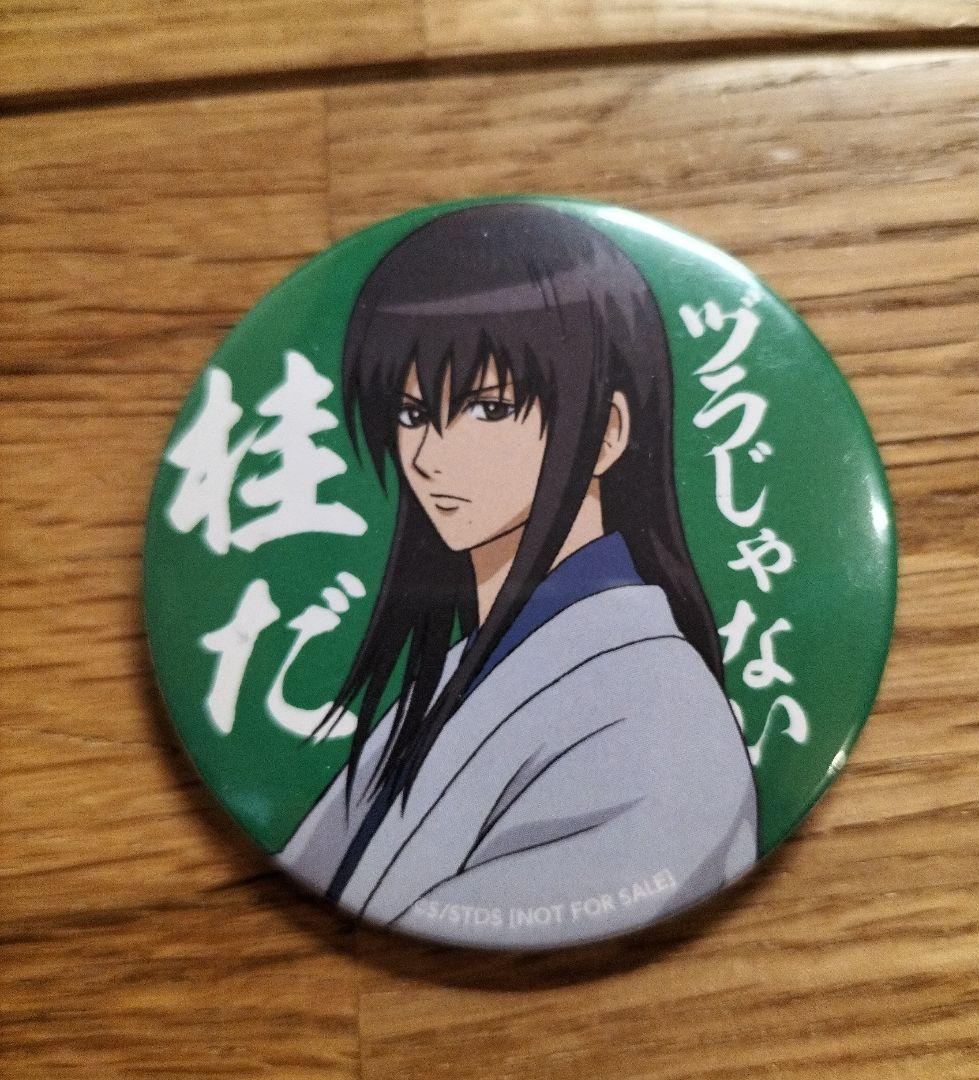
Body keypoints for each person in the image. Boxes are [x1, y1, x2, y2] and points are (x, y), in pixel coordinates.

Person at [275, 202, 757, 948]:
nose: (430, 457)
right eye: (411, 414)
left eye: (488, 408)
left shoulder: (655, 713)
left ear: (606, 433)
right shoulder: (463, 676)